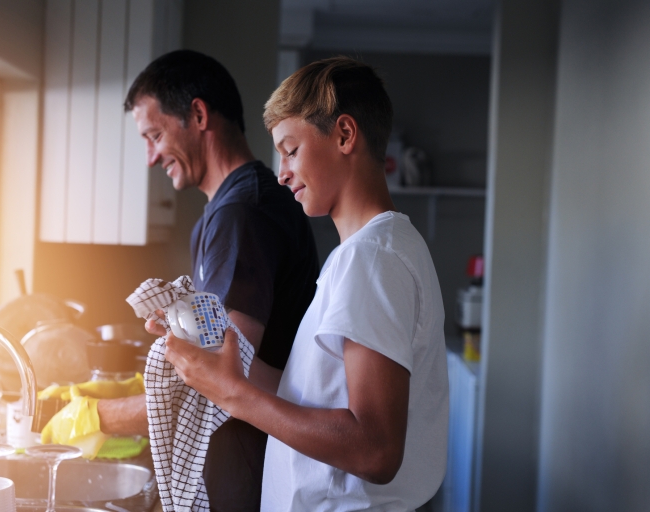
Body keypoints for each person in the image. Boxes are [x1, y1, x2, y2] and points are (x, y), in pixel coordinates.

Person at [163, 56, 449, 510]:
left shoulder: (370, 258)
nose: (282, 173)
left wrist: (235, 396)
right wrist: (219, 365)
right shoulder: (372, 251)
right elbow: (311, 398)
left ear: (344, 135)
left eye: (291, 150)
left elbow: (375, 450)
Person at [96, 50, 320, 511]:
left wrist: (99, 416)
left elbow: (219, 376)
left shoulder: (242, 214)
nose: (150, 156)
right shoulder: (226, 211)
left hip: (247, 480)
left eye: (155, 135)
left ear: (198, 115)